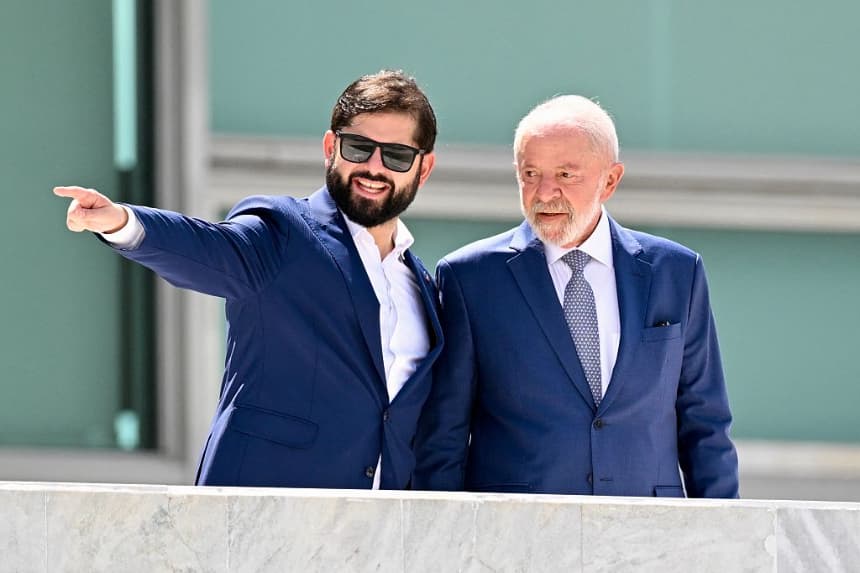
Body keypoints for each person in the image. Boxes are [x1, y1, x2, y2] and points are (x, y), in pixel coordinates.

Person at [55, 70, 443, 490]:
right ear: (331, 148)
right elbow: (208, 249)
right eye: (358, 148)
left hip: (379, 531)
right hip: (260, 510)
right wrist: (122, 223)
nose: (374, 167)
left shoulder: (421, 284)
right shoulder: (284, 234)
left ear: (422, 169)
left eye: (397, 156)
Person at [413, 95, 738, 498]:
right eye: (530, 174)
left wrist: (728, 537)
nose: (544, 192)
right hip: (517, 535)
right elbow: (442, 436)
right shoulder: (469, 278)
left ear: (610, 180)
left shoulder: (677, 272)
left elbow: (705, 422)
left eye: (566, 175)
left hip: (648, 532)